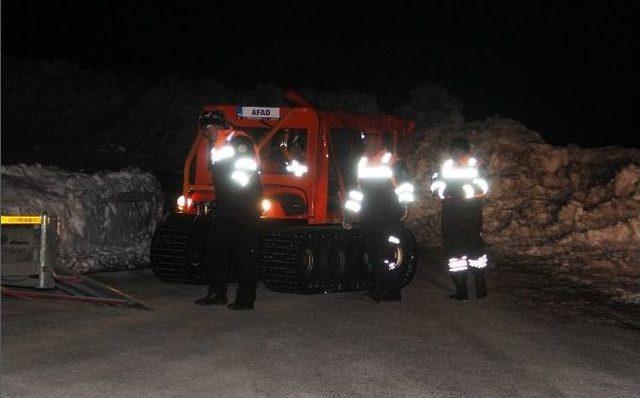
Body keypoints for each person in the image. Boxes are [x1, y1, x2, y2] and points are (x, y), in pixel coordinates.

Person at [195, 110, 263, 310]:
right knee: (215, 249)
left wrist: (234, 193)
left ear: (215, 126)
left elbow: (246, 170)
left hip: (243, 207)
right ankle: (217, 293)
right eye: (203, 128)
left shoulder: (238, 140)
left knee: (244, 254)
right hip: (228, 206)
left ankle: (245, 298)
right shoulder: (218, 145)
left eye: (207, 127)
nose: (205, 132)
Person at [343, 131, 415, 302]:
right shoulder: (363, 163)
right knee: (374, 253)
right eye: (365, 139)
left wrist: (404, 209)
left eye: (369, 139)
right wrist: (350, 213)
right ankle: (381, 288)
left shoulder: (392, 162)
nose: (366, 142)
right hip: (371, 216)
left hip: (388, 217)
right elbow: (357, 192)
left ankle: (388, 290)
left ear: (378, 140)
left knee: (385, 254)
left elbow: (405, 186)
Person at [430, 136, 489, 300]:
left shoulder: (476, 166)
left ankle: (480, 282)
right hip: (450, 216)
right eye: (454, 150)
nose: (456, 153)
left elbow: (483, 186)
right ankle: (461, 288)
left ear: (466, 151)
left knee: (475, 251)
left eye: (459, 150)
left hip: (470, 216)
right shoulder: (445, 166)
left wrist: (463, 191)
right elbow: (435, 185)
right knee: (454, 254)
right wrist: (443, 191)